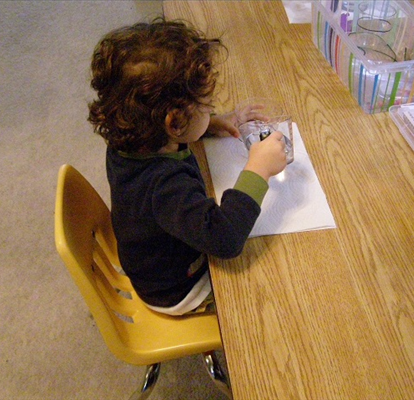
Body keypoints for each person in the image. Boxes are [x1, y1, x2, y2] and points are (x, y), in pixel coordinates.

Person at [88, 18, 287, 315]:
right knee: (273, 281)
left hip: (147, 257)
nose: (210, 109)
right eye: (207, 106)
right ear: (175, 122)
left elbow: (169, 128)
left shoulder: (131, 136)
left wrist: (210, 124)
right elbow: (225, 239)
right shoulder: (166, 186)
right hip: (175, 289)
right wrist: (259, 169)